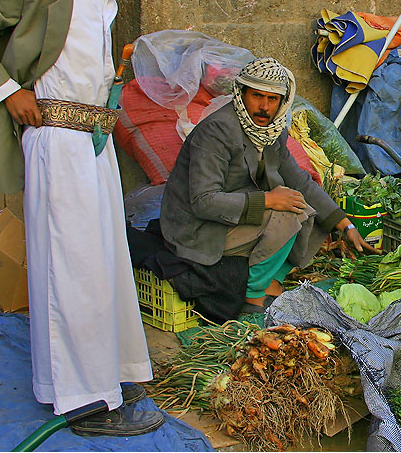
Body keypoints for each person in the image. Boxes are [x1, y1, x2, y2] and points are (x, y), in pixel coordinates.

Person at [0, 0, 163, 436]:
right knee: (70, 267)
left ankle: (112, 371)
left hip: (91, 142)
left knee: (103, 259)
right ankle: (84, 401)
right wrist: (5, 92)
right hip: (54, 138)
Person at [160, 57, 377, 314]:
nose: (264, 107)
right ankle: (252, 296)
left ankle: (271, 280)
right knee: (287, 213)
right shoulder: (216, 132)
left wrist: (345, 225)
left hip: (233, 215)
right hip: (196, 229)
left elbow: (300, 181)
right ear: (241, 95)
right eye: (257, 96)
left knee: (302, 205)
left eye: (272, 99)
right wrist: (267, 201)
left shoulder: (270, 133)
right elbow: (203, 201)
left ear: (282, 102)